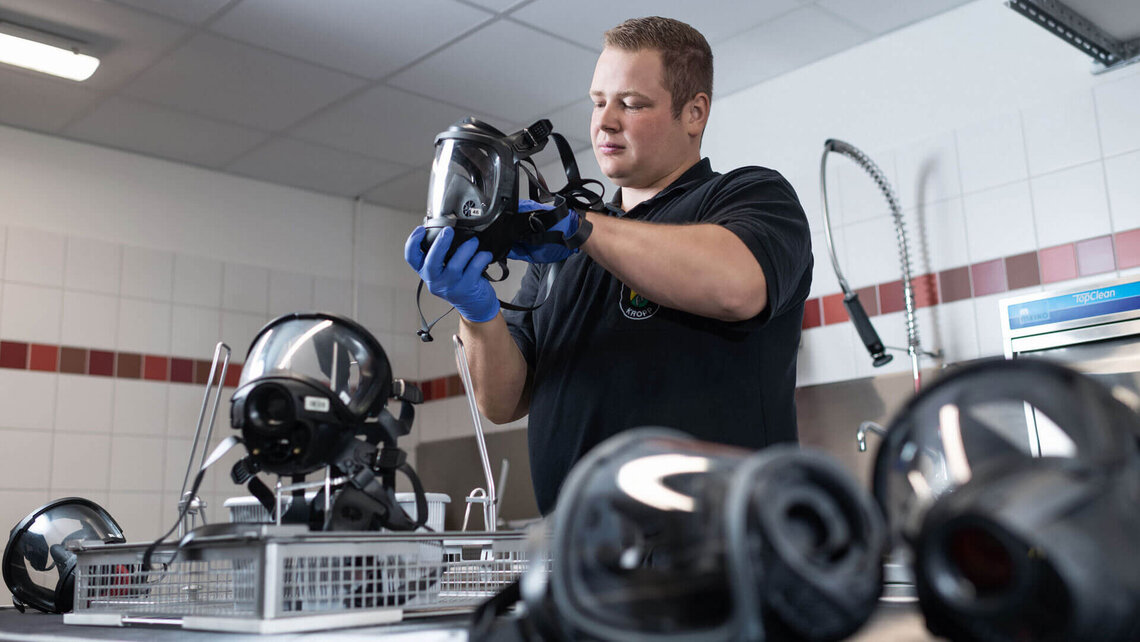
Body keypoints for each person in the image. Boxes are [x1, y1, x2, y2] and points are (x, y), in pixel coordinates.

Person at [405, 16, 812, 515]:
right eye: (599, 102)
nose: (605, 122)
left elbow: (735, 286)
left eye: (632, 104)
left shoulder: (749, 196)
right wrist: (476, 310)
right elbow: (503, 402)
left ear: (694, 113)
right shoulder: (565, 246)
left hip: (723, 553)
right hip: (584, 556)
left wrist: (581, 226)